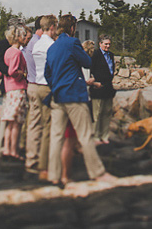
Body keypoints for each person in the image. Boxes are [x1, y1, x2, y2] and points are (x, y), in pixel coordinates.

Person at [45, 14, 115, 185]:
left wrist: (56, 85)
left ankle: (54, 176)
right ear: (72, 27)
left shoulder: (52, 48)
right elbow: (86, 62)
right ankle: (97, 173)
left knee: (56, 137)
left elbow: (47, 74)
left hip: (57, 95)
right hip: (73, 95)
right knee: (85, 135)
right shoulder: (72, 43)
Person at [60, 40, 98, 184]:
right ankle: (82, 158)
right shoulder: (83, 62)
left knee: (71, 134)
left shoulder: (74, 60)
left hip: (74, 96)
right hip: (80, 97)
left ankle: (67, 172)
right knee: (83, 129)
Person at [26, 15, 57, 180]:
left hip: (36, 84)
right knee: (46, 126)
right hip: (45, 86)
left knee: (36, 124)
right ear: (52, 27)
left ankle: (35, 159)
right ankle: (42, 164)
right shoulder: (50, 45)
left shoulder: (36, 44)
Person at [0, 24, 30, 160]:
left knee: (10, 121)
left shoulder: (8, 52)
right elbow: (12, 71)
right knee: (16, 122)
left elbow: (1, 73)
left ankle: (7, 149)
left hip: (9, 88)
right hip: (18, 89)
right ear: (17, 37)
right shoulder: (17, 52)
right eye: (23, 36)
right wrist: (22, 74)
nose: (25, 38)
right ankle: (13, 151)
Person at [0, 16, 23, 156]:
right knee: (7, 116)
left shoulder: (20, 45)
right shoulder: (4, 44)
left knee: (15, 118)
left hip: (17, 84)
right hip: (9, 84)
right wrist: (10, 73)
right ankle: (2, 146)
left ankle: (13, 146)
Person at [90, 34, 116, 144]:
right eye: (105, 44)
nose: (108, 46)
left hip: (108, 87)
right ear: (100, 44)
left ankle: (104, 135)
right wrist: (94, 82)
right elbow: (90, 70)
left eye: (109, 44)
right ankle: (96, 136)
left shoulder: (111, 55)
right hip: (97, 88)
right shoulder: (95, 54)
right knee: (96, 113)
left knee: (107, 112)